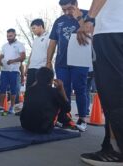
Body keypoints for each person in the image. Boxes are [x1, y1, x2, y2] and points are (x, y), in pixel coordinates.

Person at [77, 0, 123, 165]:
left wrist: (90, 18)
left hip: (112, 31)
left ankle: (116, 151)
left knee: (113, 92)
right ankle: (112, 145)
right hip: (115, 29)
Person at [46, 0, 89, 131]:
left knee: (80, 89)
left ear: (76, 4)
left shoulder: (87, 15)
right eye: (64, 9)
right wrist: (48, 61)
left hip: (80, 61)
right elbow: (53, 42)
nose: (66, 12)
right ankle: (65, 118)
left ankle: (82, 119)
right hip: (61, 62)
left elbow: (89, 32)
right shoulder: (59, 21)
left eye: (69, 8)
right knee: (63, 90)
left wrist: (79, 18)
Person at [20, 67, 77, 133]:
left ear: (36, 78)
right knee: (60, 106)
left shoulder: (29, 90)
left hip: (25, 125)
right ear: (51, 80)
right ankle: (68, 123)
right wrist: (62, 89)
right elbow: (67, 108)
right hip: (44, 128)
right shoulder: (54, 91)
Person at [0, 28, 26, 114]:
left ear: (15, 35)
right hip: (4, 71)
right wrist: (0, 61)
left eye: (10, 36)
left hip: (14, 71)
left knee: (13, 90)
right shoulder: (4, 46)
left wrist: (12, 61)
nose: (8, 38)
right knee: (2, 89)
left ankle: (12, 107)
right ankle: (0, 106)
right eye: (7, 36)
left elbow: (23, 57)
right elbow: (1, 56)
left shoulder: (20, 45)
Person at [25, 19, 50, 89]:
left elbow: (50, 52)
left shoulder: (49, 36)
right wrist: (27, 67)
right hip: (31, 69)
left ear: (40, 26)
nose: (32, 30)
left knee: (41, 92)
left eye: (34, 28)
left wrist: (47, 67)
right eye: (32, 29)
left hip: (41, 68)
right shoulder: (35, 39)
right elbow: (32, 53)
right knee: (29, 91)